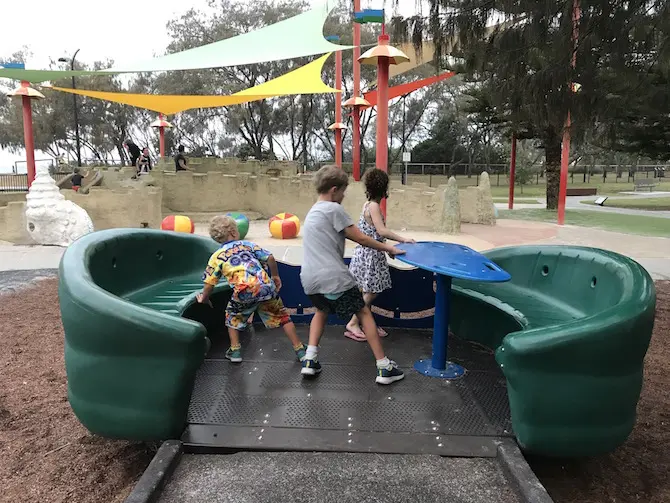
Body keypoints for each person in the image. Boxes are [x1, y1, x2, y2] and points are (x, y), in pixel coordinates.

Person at [299, 165, 408, 385]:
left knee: (320, 311)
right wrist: (391, 249)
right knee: (363, 312)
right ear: (333, 189)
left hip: (309, 278)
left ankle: (310, 360)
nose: (343, 196)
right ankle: (384, 367)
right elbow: (362, 238)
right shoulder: (333, 209)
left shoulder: (313, 211)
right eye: (342, 191)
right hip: (334, 277)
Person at [197, 215, 307, 363]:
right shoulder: (248, 245)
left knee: (232, 316)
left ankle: (235, 351)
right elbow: (270, 258)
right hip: (265, 287)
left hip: (244, 291)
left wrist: (204, 298)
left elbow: (209, 283)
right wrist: (275, 276)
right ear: (235, 233)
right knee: (283, 317)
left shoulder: (217, 256)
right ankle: (299, 349)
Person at [345, 169, 415, 341]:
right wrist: (402, 239)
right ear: (384, 188)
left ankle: (366, 323)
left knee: (370, 290)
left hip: (369, 253)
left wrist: (385, 247)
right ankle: (353, 322)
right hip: (370, 256)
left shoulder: (367, 204)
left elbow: (374, 233)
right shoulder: (374, 206)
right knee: (372, 292)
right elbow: (381, 230)